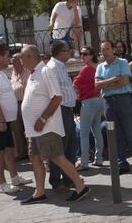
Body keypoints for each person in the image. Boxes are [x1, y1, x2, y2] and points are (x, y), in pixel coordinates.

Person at [19, 45, 90, 204]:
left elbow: (57, 98)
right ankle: (40, 192)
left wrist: (42, 119)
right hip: (34, 129)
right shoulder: (32, 75)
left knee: (57, 156)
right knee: (35, 156)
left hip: (46, 126)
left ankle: (80, 186)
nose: (19, 60)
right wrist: (28, 126)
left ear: (31, 56)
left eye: (22, 57)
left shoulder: (46, 71)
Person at [0, 44, 32, 193]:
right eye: (7, 56)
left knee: (9, 149)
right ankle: (2, 184)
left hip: (3, 121)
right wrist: (1, 120)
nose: (9, 59)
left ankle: (14, 177)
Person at [95, 40, 132, 175]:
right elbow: (97, 85)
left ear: (113, 50)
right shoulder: (100, 67)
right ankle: (122, 164)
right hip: (108, 103)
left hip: (123, 100)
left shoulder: (123, 62)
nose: (105, 52)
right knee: (115, 135)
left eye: (107, 49)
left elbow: (125, 81)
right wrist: (114, 79)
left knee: (131, 133)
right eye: (103, 50)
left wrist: (105, 84)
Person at [46, 40, 77, 193]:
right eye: (67, 50)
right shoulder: (52, 68)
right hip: (60, 111)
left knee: (71, 146)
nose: (69, 52)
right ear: (59, 52)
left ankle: (69, 178)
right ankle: (56, 181)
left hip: (68, 110)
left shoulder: (61, 67)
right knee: (60, 147)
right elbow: (53, 94)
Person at [73, 46, 104, 170]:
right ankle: (99, 158)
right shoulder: (99, 68)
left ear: (91, 55)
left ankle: (84, 162)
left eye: (85, 54)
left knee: (84, 133)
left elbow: (74, 85)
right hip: (98, 101)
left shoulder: (86, 69)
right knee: (96, 131)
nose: (82, 56)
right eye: (81, 54)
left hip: (88, 102)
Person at [10, 53, 29, 160]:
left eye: (15, 61)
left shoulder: (28, 72)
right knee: (17, 130)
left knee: (28, 128)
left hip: (25, 103)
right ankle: (22, 153)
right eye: (12, 61)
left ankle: (32, 151)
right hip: (15, 104)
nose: (13, 63)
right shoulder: (12, 73)